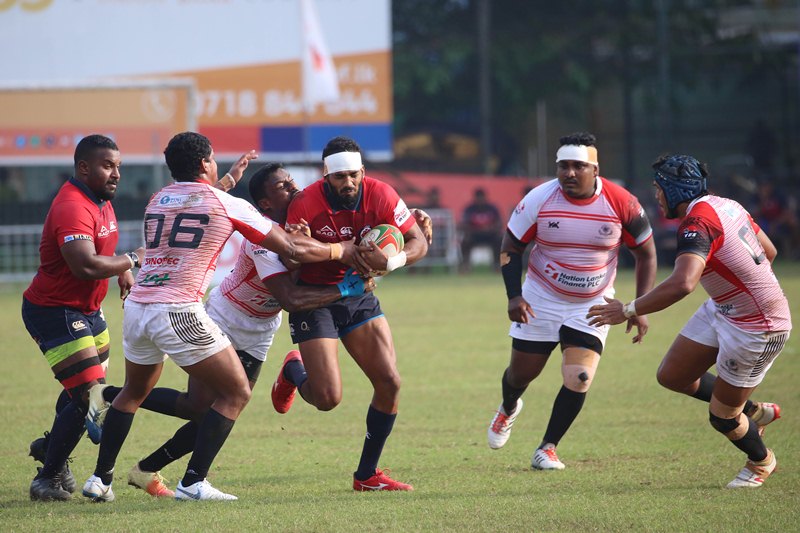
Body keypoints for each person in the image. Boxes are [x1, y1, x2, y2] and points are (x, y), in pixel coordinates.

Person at [81, 132, 359, 502]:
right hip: (178, 310)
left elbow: (199, 198)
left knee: (135, 392)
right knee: (236, 392)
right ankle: (193, 482)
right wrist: (344, 250)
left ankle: (100, 480)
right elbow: (290, 248)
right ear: (204, 163)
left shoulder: (159, 198)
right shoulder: (229, 204)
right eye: (212, 159)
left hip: (138, 307)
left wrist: (227, 180)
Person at [587, 154, 791, 488]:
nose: (656, 196)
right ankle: (753, 409)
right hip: (724, 307)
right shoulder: (727, 204)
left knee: (723, 417)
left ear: (674, 190)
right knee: (673, 375)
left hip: (757, 327)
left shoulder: (697, 222)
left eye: (658, 189)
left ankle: (761, 461)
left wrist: (628, 309)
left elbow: (683, 283)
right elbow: (769, 251)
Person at [487, 132, 657, 470]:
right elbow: (510, 248)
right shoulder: (539, 199)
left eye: (578, 166)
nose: (569, 173)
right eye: (563, 166)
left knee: (579, 377)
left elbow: (647, 254)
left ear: (595, 169)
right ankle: (508, 407)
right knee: (521, 375)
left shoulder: (622, 202)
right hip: (540, 298)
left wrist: (641, 306)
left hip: (591, 304)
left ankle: (547, 448)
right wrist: (514, 296)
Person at [271, 136, 429, 491]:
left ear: (362, 172)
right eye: (340, 176)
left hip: (359, 294)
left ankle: (367, 475)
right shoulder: (305, 202)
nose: (348, 182)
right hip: (316, 298)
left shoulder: (382, 194)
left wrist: (392, 261)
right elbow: (291, 253)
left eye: (353, 175)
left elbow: (418, 241)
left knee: (390, 382)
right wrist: (333, 249)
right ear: (326, 176)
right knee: (327, 399)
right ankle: (294, 370)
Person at [21, 134, 145, 501]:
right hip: (54, 310)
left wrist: (122, 269)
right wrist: (132, 259)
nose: (116, 173)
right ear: (84, 167)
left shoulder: (100, 199)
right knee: (92, 396)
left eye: (118, 166)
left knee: (82, 392)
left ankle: (50, 450)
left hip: (89, 310)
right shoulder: (72, 206)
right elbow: (86, 265)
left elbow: (100, 250)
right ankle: (47, 478)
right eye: (108, 166)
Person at [459, 187, 503, 272]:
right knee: (465, 240)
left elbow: (499, 223)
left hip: (490, 234)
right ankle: (465, 264)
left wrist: (490, 228)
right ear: (475, 198)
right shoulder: (469, 209)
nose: (480, 200)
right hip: (474, 234)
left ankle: (497, 264)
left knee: (499, 239)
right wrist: (476, 229)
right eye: (478, 197)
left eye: (481, 197)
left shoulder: (492, 208)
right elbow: (463, 224)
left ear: (485, 197)